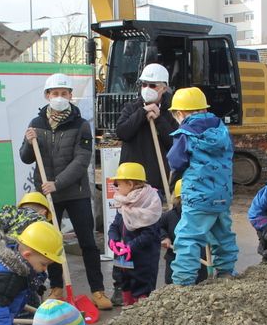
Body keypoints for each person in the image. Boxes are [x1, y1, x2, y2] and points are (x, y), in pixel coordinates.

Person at [19, 73, 112, 311]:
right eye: (55, 93)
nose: (59, 97)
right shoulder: (36, 123)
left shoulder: (81, 125)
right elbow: (26, 157)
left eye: (64, 93)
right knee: (50, 243)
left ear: (71, 95)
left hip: (75, 192)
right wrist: (28, 142)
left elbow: (81, 161)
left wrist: (57, 183)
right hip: (47, 195)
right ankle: (57, 287)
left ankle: (97, 290)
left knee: (88, 242)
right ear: (47, 95)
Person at [114, 63, 177, 305]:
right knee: (124, 235)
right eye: (144, 84)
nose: (147, 88)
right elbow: (122, 131)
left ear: (164, 88)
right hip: (129, 186)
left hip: (154, 183)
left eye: (153, 85)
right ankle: (121, 285)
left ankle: (145, 288)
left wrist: (159, 120)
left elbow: (174, 143)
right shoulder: (131, 108)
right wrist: (142, 113)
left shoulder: (169, 113)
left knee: (148, 238)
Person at [166, 87, 239, 283]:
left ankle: (183, 282)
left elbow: (176, 161)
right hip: (222, 195)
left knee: (188, 238)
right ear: (204, 109)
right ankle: (226, 272)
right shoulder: (222, 130)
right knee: (223, 235)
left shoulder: (185, 134)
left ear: (180, 113)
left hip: (198, 196)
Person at [106, 163, 163, 305]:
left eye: (118, 184)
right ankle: (128, 309)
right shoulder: (124, 202)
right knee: (125, 284)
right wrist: (112, 239)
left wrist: (130, 247)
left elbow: (149, 234)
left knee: (141, 288)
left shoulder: (149, 204)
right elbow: (115, 225)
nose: (116, 187)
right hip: (124, 257)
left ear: (130, 184)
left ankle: (141, 311)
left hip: (143, 260)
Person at [161, 180, 208, 286]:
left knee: (201, 285)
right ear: (179, 199)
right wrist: (164, 237)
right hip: (174, 259)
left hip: (199, 260)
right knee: (174, 285)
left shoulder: (202, 216)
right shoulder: (169, 216)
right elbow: (158, 227)